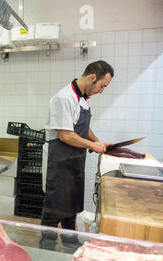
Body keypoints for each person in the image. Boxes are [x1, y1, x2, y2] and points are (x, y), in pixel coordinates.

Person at [40, 60, 114, 249]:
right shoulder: (64, 98)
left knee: (72, 203)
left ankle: (69, 242)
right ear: (92, 78)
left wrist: (98, 143)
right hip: (58, 161)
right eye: (102, 86)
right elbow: (65, 135)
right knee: (54, 207)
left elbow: (84, 129)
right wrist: (92, 145)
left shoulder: (84, 99)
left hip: (74, 160)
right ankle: (46, 245)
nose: (101, 91)